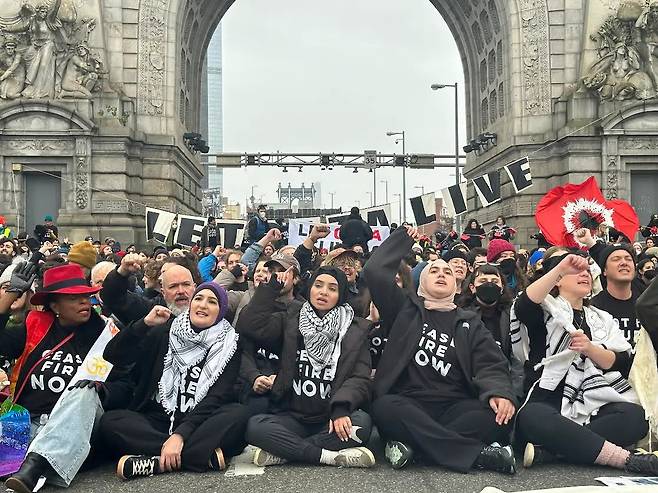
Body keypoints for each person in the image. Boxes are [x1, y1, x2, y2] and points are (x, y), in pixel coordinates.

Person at [364, 226, 518, 474]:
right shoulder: (404, 310)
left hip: (456, 406)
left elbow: (491, 364)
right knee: (384, 408)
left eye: (447, 272)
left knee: (499, 416)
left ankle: (414, 447)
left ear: (456, 286)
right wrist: (402, 239)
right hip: (408, 402)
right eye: (433, 270)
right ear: (420, 283)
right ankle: (477, 455)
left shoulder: (469, 322)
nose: (441, 274)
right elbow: (375, 271)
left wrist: (499, 393)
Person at [513, 252, 655, 474]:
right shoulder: (544, 309)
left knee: (635, 417)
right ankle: (626, 460)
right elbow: (524, 304)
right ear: (557, 279)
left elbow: (620, 361)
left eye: (588, 271)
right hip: (548, 397)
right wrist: (560, 267)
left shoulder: (601, 317)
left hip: (592, 396)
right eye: (575, 271)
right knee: (532, 418)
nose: (584, 274)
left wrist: (590, 349)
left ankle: (552, 452)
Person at [99, 282, 251, 480]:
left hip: (199, 421)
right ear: (191, 304)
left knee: (239, 414)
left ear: (220, 311)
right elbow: (112, 355)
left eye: (212, 302)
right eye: (198, 298)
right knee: (111, 422)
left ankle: (154, 462)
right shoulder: (165, 331)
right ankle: (195, 457)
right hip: (158, 418)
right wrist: (143, 324)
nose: (203, 305)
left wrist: (180, 435)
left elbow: (217, 397)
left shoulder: (230, 343)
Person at [2, 263, 130, 492]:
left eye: (86, 296)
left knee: (84, 391)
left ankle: (34, 466)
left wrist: (102, 389)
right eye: (73, 298)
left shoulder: (106, 335)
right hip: (27, 423)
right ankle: (42, 459)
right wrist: (10, 295)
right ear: (54, 304)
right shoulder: (34, 326)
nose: (84, 302)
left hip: (80, 426)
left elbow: (126, 386)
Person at [236, 266, 376, 469]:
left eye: (332, 288)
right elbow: (250, 325)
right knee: (255, 427)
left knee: (362, 423)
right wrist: (271, 289)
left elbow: (360, 378)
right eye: (318, 285)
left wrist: (341, 408)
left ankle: (285, 452)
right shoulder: (291, 318)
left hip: (329, 418)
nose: (323, 292)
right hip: (292, 415)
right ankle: (327, 456)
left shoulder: (354, 329)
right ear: (310, 289)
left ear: (341, 295)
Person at [461, 264, 524, 401]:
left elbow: (517, 358)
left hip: (508, 384)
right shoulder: (462, 317)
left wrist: (513, 394)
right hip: (472, 387)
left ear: (502, 288)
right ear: (472, 288)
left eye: (495, 282)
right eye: (483, 281)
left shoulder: (513, 316)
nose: (489, 285)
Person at [574, 228, 643, 344]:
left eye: (628, 259)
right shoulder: (594, 309)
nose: (623, 262)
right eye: (616, 259)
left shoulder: (646, 302)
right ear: (604, 271)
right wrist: (590, 241)